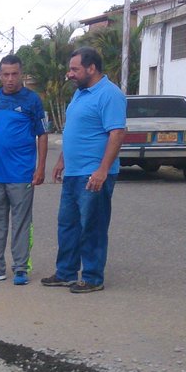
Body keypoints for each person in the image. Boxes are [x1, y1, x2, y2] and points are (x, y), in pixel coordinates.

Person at [43, 46, 126, 294]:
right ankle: (66, 272)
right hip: (73, 173)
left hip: (94, 174)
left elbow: (117, 133)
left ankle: (92, 276)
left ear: (91, 68)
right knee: (67, 224)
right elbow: (74, 131)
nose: (70, 74)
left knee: (92, 225)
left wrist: (103, 170)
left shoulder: (109, 94)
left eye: (74, 69)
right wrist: (62, 161)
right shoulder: (80, 93)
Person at [0, 54, 48, 286]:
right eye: (6, 74)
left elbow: (42, 135)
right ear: (0, 75)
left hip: (21, 173)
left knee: (21, 222)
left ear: (21, 74)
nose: (10, 79)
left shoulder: (32, 101)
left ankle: (21, 268)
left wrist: (40, 168)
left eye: (15, 74)